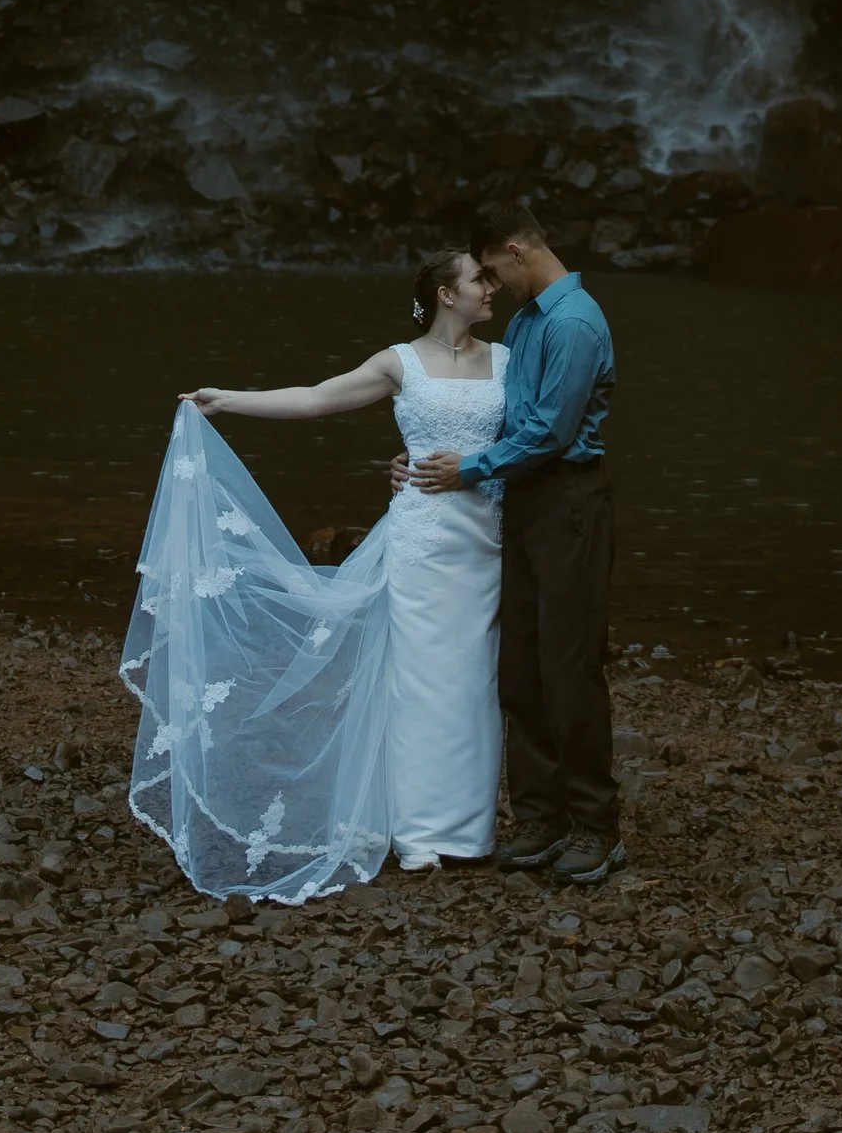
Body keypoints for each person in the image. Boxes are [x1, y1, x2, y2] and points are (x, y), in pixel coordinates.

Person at [121, 245, 505, 896]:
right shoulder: (399, 361)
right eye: (479, 279)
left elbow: (534, 436)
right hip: (420, 539)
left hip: (485, 537)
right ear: (446, 292)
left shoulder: (509, 361)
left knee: (473, 681)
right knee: (418, 683)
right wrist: (230, 400)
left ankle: (467, 832)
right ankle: (416, 834)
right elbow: (316, 400)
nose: (491, 288)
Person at [410, 208, 619, 886]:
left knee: (570, 664)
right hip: (523, 499)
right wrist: (419, 459)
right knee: (521, 663)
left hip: (568, 501)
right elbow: (491, 413)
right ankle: (540, 815)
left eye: (493, 269)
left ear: (516, 249)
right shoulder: (531, 322)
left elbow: (553, 433)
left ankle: (594, 825)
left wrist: (468, 470)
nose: (492, 285)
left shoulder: (575, 321)